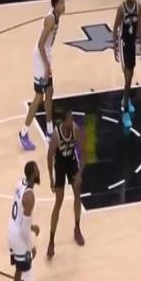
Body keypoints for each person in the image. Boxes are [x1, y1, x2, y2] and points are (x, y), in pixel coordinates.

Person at [19, 0, 65, 151]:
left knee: (49, 91)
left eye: (64, 2)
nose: (64, 6)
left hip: (46, 55)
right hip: (40, 57)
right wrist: (46, 66)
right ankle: (23, 133)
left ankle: (50, 131)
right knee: (39, 96)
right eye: (61, 3)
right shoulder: (50, 19)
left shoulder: (57, 17)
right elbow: (40, 45)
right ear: (55, 4)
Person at [46, 109, 86, 259]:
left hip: (72, 162)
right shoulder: (56, 136)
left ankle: (77, 228)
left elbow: (84, 153)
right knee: (59, 200)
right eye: (70, 119)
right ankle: (51, 241)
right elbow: (49, 157)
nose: (72, 121)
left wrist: (79, 174)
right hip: (60, 165)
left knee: (77, 193)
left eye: (72, 118)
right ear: (64, 121)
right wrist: (51, 178)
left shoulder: (75, 130)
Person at [8, 161, 41, 281]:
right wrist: (31, 247)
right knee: (28, 274)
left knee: (19, 270)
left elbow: (20, 217)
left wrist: (32, 227)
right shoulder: (29, 197)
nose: (39, 172)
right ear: (33, 175)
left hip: (11, 231)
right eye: (37, 170)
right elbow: (24, 231)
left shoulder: (20, 183)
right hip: (19, 237)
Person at [113, 0, 141, 128]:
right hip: (124, 44)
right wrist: (115, 47)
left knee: (130, 77)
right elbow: (115, 28)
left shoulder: (138, 7)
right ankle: (124, 112)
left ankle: (125, 99)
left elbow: (139, 27)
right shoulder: (122, 8)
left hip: (132, 44)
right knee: (127, 79)